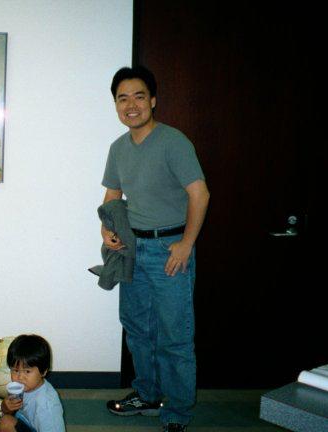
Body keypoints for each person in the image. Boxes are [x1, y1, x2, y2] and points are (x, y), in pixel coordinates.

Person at [101, 66, 210, 432]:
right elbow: (112, 197)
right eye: (123, 98)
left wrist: (186, 245)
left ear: (153, 101)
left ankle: (176, 410)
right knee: (136, 328)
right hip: (133, 250)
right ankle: (146, 394)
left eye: (139, 96)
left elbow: (200, 194)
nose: (131, 105)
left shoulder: (173, 141)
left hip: (169, 250)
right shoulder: (118, 148)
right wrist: (106, 229)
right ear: (116, 104)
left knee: (174, 335)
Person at [0, 335, 65, 432]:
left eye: (27, 371)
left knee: (5, 423)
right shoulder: (26, 385)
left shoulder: (47, 407)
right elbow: (10, 410)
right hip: (26, 420)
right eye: (15, 370)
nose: (20, 377)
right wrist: (6, 407)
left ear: (44, 371)